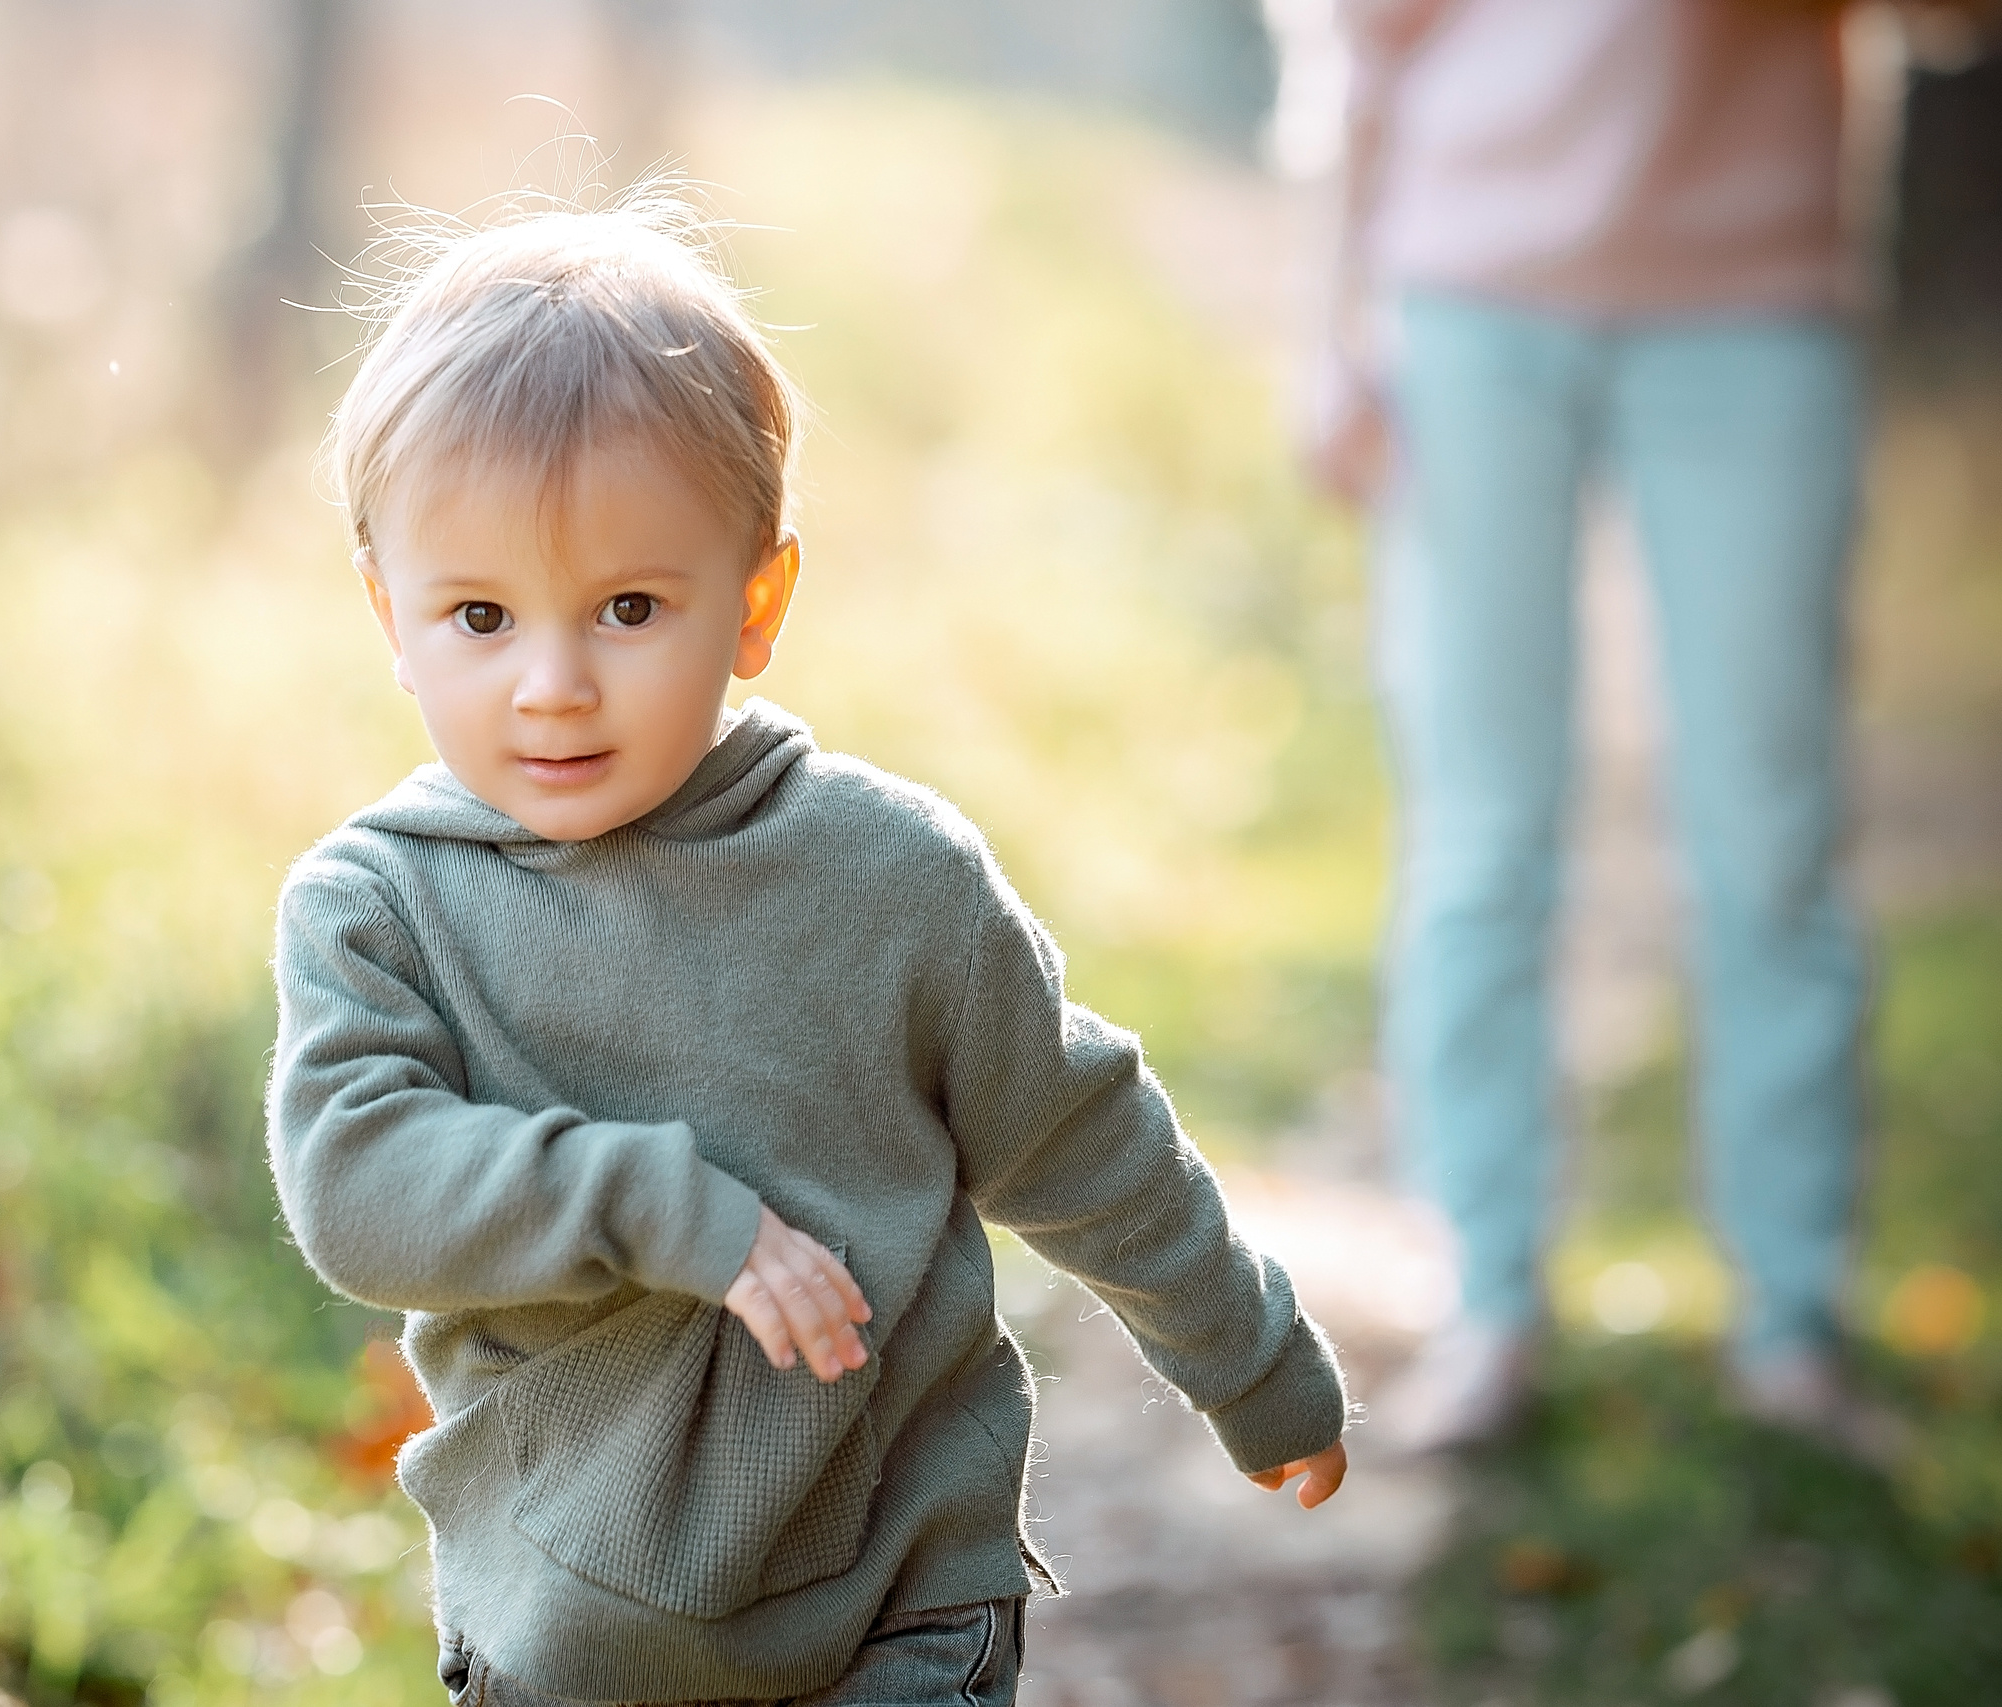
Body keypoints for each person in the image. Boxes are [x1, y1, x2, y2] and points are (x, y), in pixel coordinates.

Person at [265, 197, 1351, 1706]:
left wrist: (1251, 1360)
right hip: (562, 1629)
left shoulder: (889, 879)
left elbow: (1080, 1129)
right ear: (392, 616)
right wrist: (658, 1205)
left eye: (630, 608)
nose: (554, 685)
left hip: (898, 1599)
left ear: (757, 601)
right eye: (481, 616)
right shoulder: (384, 906)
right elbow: (357, 1186)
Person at [1310, 0, 1894, 1456]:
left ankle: (1793, 1320)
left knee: (1775, 837)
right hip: (1470, 295)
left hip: (1758, 297)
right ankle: (1486, 1298)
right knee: (1482, 829)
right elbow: (1360, 40)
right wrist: (1331, 326)